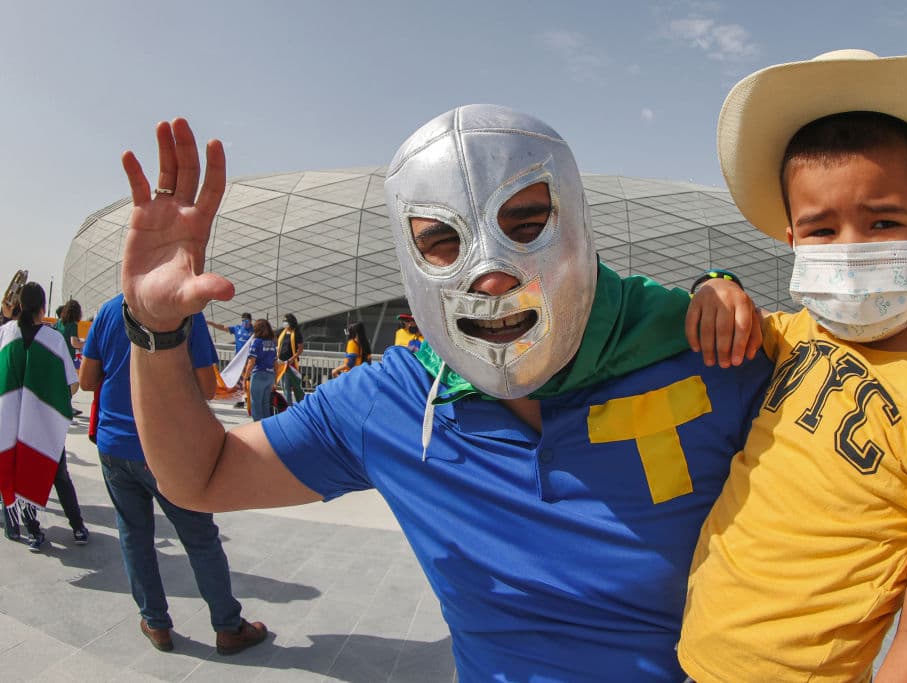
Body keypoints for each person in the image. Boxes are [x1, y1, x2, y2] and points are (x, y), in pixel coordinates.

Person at [116, 106, 769, 681]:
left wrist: (721, 287)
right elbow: (201, 475)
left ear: (576, 222)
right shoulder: (396, 401)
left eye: (526, 222)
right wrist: (155, 327)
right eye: (444, 242)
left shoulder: (709, 356)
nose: (489, 275)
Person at [677, 50, 907, 683]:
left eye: (883, 221)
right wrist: (713, 282)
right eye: (821, 229)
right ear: (792, 243)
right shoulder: (794, 334)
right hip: (692, 663)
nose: (851, 249)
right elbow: (721, 308)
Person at [79, 292, 267, 655]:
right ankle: (228, 626)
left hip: (114, 445)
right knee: (199, 536)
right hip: (166, 449)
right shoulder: (185, 315)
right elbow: (206, 387)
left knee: (134, 535)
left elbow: (87, 380)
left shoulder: (107, 310)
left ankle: (156, 622)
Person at [1, 282, 89, 550]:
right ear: (42, 308)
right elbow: (72, 384)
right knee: (57, 473)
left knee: (13, 470)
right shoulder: (52, 339)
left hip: (9, 421)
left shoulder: (6, 334)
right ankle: (77, 527)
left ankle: (27, 529)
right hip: (42, 423)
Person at [208, 312, 253, 408]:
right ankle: (241, 400)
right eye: (243, 320)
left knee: (248, 381)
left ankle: (249, 399)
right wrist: (211, 324)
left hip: (250, 359)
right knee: (239, 382)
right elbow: (224, 327)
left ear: (250, 321)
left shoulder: (254, 330)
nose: (245, 323)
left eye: (247, 321)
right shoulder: (237, 328)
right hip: (238, 360)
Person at [242, 318, 277, 421]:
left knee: (256, 403)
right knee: (266, 403)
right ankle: (266, 427)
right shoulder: (272, 343)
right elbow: (276, 363)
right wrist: (275, 379)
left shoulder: (256, 342)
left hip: (258, 375)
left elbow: (251, 362)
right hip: (270, 376)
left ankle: (257, 426)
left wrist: (245, 378)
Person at [276, 313, 304, 404]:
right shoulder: (282, 332)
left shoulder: (296, 333)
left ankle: (301, 404)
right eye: (283, 321)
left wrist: (291, 359)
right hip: (281, 363)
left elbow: (300, 350)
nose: (284, 323)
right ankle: (289, 406)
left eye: (286, 321)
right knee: (285, 386)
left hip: (290, 364)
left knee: (295, 386)